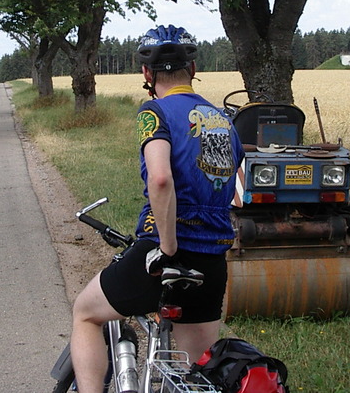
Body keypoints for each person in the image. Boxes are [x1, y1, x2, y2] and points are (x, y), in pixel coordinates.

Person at [69, 24, 245, 392]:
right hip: (211, 260)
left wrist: (167, 249)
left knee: (85, 314)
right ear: (192, 71)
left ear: (147, 74)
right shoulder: (225, 121)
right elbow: (235, 190)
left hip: (166, 252)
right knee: (195, 377)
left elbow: (161, 179)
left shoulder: (155, 112)